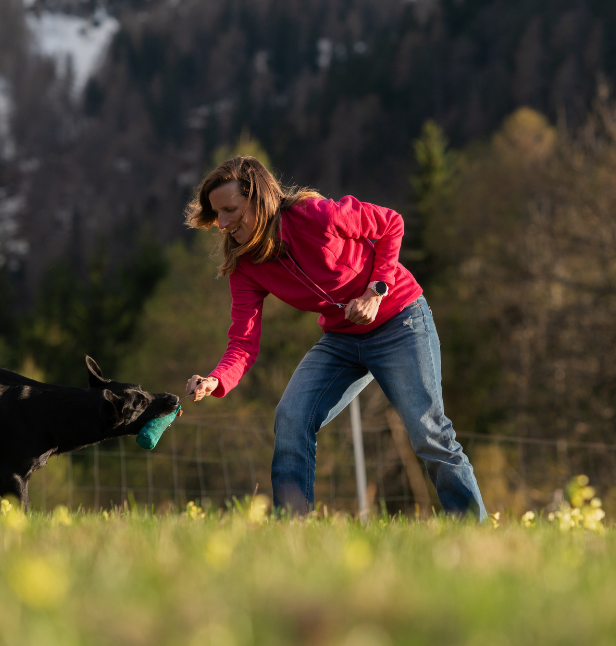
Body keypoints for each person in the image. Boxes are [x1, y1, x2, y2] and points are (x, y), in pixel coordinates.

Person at [185, 156, 486, 519]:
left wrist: (376, 291)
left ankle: (474, 528)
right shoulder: (245, 264)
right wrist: (216, 379)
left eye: (231, 209)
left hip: (400, 321)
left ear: (259, 199)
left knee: (428, 431)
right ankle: (291, 530)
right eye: (217, 213)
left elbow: (392, 223)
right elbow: (243, 343)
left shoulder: (318, 216)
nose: (224, 222)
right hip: (343, 339)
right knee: (291, 417)